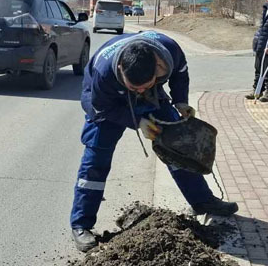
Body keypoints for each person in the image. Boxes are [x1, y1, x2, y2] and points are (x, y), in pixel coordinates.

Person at [70, 31, 239, 252]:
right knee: (96, 161)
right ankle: (81, 225)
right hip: (107, 104)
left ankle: (202, 201)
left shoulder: (169, 50)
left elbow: (180, 73)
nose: (139, 90)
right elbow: (102, 107)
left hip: (153, 95)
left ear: (157, 67)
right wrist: (137, 121)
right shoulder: (104, 73)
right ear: (121, 68)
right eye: (134, 87)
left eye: (144, 84)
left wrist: (180, 101)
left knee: (179, 146)